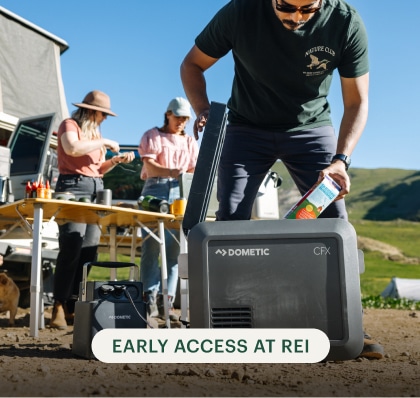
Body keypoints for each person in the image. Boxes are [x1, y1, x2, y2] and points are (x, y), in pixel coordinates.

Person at [180, 0, 383, 359]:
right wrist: (203, 111)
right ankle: (230, 327)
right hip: (246, 129)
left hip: (311, 129)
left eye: (308, 8)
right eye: (286, 6)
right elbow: (192, 64)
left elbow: (357, 101)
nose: (297, 16)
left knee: (334, 221)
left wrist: (340, 160)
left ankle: (348, 325)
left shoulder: (345, 22)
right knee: (229, 222)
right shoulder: (241, 12)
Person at [50, 90, 134, 329]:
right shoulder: (70, 125)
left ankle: (73, 305)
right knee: (72, 245)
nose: (105, 119)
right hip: (73, 189)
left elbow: (97, 168)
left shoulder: (94, 133)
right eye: (103, 114)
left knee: (90, 251)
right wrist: (104, 142)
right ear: (91, 111)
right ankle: (57, 304)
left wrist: (115, 161)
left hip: (95, 190)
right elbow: (72, 149)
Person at [138, 97, 198, 321]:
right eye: (178, 117)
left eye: (185, 119)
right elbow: (149, 165)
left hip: (181, 193)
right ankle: (149, 299)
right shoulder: (152, 136)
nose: (181, 122)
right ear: (168, 114)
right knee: (152, 247)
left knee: (174, 251)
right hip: (155, 191)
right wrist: (173, 172)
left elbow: (193, 170)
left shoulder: (191, 142)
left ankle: (167, 302)